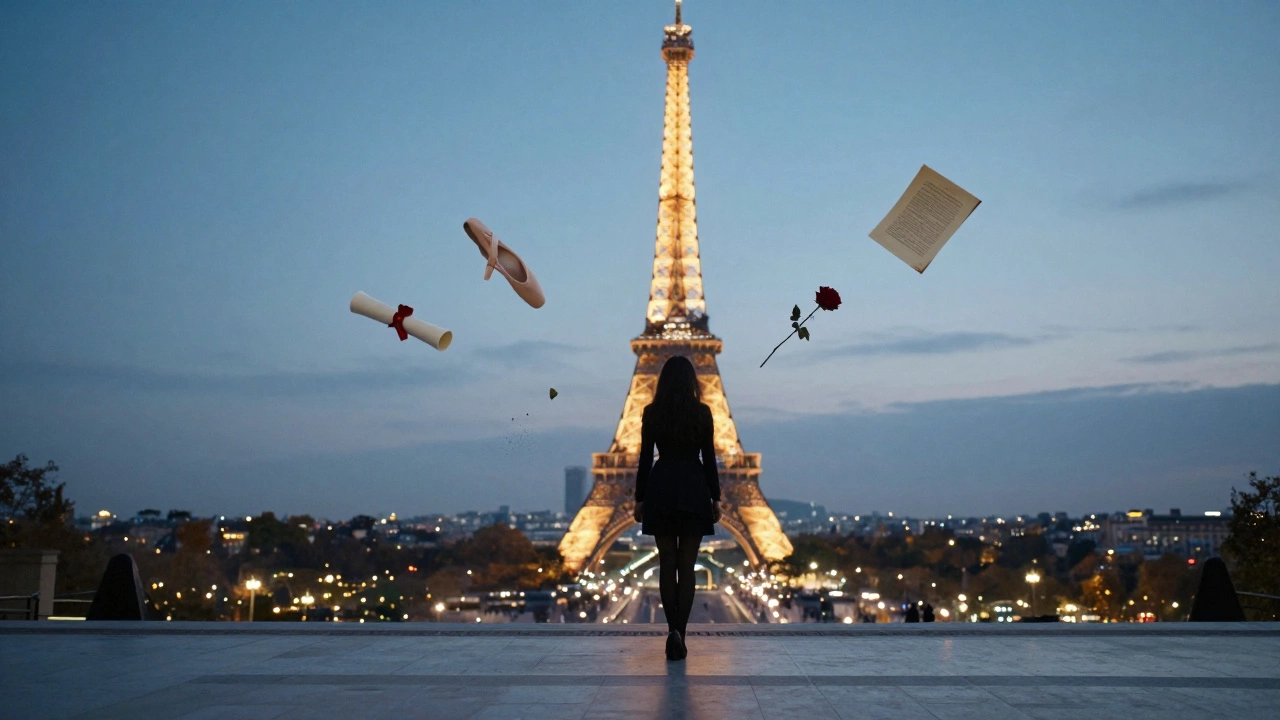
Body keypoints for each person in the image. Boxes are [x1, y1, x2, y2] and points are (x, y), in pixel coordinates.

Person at [633, 356, 721, 661]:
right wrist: (716, 498)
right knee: (687, 566)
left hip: (662, 488)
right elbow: (709, 459)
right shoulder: (702, 412)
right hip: (694, 488)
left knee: (667, 565)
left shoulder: (652, 412)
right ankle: (681, 634)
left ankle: (670, 630)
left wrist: (639, 498)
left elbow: (646, 459)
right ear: (692, 380)